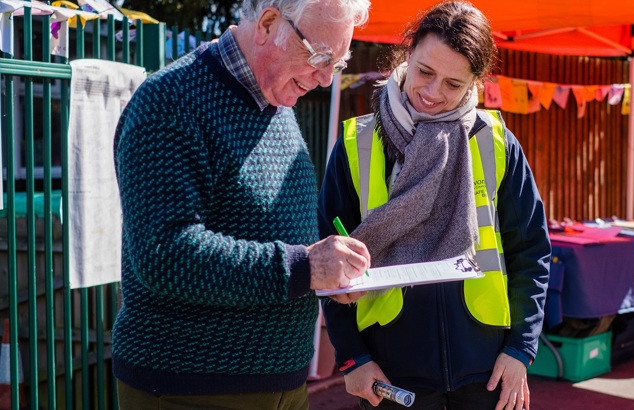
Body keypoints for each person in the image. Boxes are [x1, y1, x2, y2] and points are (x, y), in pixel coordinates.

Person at [111, 0, 371, 408]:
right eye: (320, 56)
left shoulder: (275, 98)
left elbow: (271, 233)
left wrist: (329, 273)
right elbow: (165, 254)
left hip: (281, 382)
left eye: (336, 63)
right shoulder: (169, 101)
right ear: (268, 24)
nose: (324, 79)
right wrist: (306, 267)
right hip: (191, 389)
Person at [318, 2, 551, 409]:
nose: (432, 93)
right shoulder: (356, 146)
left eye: (453, 84)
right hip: (390, 372)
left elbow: (530, 252)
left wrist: (520, 349)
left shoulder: (496, 143)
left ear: (474, 83)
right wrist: (353, 357)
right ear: (408, 55)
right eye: (425, 72)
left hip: (488, 370)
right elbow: (329, 263)